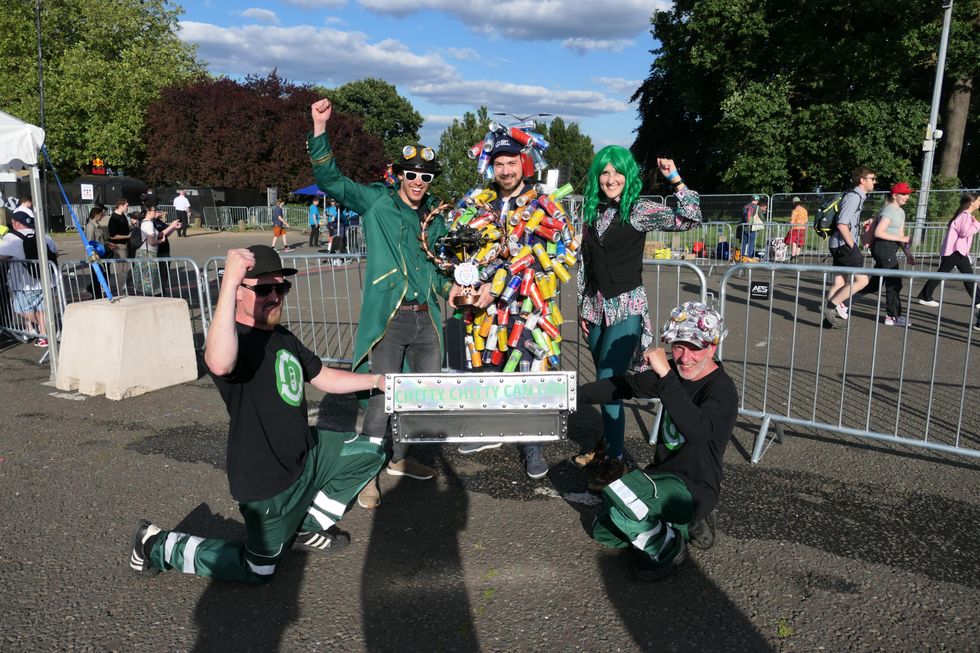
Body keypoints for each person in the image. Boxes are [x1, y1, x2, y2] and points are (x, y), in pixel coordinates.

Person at [129, 245, 385, 584]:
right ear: (238, 292)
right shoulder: (235, 340)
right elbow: (219, 362)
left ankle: (302, 527)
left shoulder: (281, 335)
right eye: (264, 289)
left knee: (371, 452)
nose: (275, 296)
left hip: (307, 455)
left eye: (281, 287)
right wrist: (229, 282)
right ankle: (156, 544)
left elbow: (323, 375)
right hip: (266, 482)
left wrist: (377, 381)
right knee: (259, 570)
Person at [309, 97, 462, 510]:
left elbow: (437, 267)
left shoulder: (434, 218)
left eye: (426, 176)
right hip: (389, 321)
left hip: (426, 320)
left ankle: (399, 460)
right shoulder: (377, 202)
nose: (418, 181)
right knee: (381, 398)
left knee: (417, 396)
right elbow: (330, 179)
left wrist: (454, 289)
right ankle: (366, 475)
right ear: (398, 175)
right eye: (411, 174)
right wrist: (320, 128)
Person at [577, 301, 738, 581]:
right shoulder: (674, 374)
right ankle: (678, 526)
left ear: (712, 348)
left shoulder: (722, 391)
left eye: (695, 348)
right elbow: (624, 386)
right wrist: (572, 395)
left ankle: (670, 547)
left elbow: (697, 431)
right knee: (603, 528)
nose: (684, 358)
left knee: (622, 496)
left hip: (694, 487)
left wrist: (665, 376)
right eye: (678, 347)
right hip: (661, 476)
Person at [574, 146, 702, 492]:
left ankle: (616, 460)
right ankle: (606, 444)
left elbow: (690, 218)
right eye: (604, 173)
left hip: (626, 307)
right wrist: (582, 307)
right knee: (606, 385)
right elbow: (584, 264)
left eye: (617, 173)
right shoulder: (590, 210)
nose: (611, 179)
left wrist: (674, 178)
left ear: (628, 176)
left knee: (609, 381)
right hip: (595, 309)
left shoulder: (639, 210)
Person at [453, 134, 551, 478]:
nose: (506, 170)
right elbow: (457, 246)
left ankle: (532, 444)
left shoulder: (541, 201)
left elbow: (558, 253)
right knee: (487, 365)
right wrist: (461, 278)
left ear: (523, 163)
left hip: (528, 304)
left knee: (527, 369)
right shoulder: (479, 202)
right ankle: (488, 430)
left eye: (511, 163)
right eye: (499, 164)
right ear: (491, 167)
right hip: (484, 306)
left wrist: (501, 284)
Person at [824, 167, 875, 325]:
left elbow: (847, 220)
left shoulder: (855, 196)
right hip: (844, 245)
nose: (874, 182)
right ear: (862, 180)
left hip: (838, 244)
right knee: (863, 281)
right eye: (872, 179)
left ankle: (827, 318)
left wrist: (861, 224)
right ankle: (832, 306)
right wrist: (852, 245)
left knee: (839, 282)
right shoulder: (854, 197)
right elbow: (842, 224)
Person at [0, 208, 58, 347]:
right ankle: (44, 334)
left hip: (24, 283)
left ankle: (47, 331)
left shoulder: (11, 238)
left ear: (16, 222)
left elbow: (1, 257)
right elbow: (55, 252)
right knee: (42, 309)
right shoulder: (44, 236)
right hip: (46, 280)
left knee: (20, 309)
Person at [916, 191, 980, 314]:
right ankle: (925, 296)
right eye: (978, 200)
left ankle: (978, 300)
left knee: (965, 276)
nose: (979, 203)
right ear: (972, 202)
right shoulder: (965, 216)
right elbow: (964, 233)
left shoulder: (964, 215)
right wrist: (977, 225)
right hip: (956, 251)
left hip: (956, 251)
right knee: (964, 276)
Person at [869, 182, 914, 326]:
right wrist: (901, 239)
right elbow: (878, 232)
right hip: (883, 248)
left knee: (874, 284)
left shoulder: (900, 212)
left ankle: (842, 303)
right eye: (904, 194)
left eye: (908, 194)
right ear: (895, 195)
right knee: (894, 282)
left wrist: (908, 253)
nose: (907, 197)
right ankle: (892, 316)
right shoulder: (889, 210)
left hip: (890, 248)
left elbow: (900, 234)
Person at [132, 203, 177, 297]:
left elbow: (160, 234)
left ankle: (152, 298)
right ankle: (151, 300)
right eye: (154, 211)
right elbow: (151, 241)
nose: (156, 212)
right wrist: (161, 241)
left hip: (147, 253)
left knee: (151, 279)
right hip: (147, 254)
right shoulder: (148, 224)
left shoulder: (148, 223)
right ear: (148, 212)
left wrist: (172, 227)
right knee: (149, 280)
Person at [83, 205, 110, 299]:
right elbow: (90, 242)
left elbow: (100, 240)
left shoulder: (97, 226)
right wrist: (94, 257)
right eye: (101, 214)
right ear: (96, 214)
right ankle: (95, 293)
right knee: (97, 276)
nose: (102, 216)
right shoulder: (91, 226)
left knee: (100, 275)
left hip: (100, 254)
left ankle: (95, 292)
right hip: (95, 255)